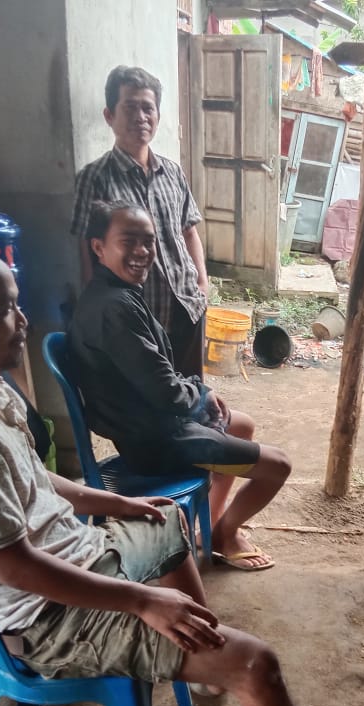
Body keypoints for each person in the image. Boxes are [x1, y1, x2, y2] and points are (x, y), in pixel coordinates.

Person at [0, 231, 339, 706]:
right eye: (7, 308)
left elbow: (31, 477)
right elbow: (15, 568)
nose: (23, 318)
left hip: (76, 555)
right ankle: (216, 662)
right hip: (48, 618)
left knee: (165, 515)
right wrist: (142, 600)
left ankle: (200, 665)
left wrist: (114, 503)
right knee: (255, 664)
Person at [69, 201, 288, 572]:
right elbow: (166, 392)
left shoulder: (113, 294)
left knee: (242, 425)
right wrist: (199, 395)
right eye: (128, 241)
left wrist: (202, 393)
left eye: (148, 241)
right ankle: (226, 533)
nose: (142, 251)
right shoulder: (114, 309)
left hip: (150, 424)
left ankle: (211, 529)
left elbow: (158, 376)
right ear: (98, 247)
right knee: (278, 466)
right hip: (155, 442)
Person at [70, 65, 208, 378]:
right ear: (109, 116)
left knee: (194, 392)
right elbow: (86, 248)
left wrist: (202, 284)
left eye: (148, 108)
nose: (141, 117)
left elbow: (189, 231)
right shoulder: (95, 177)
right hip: (136, 318)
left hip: (187, 306)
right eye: (130, 107)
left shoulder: (172, 172)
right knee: (154, 395)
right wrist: (95, 306)